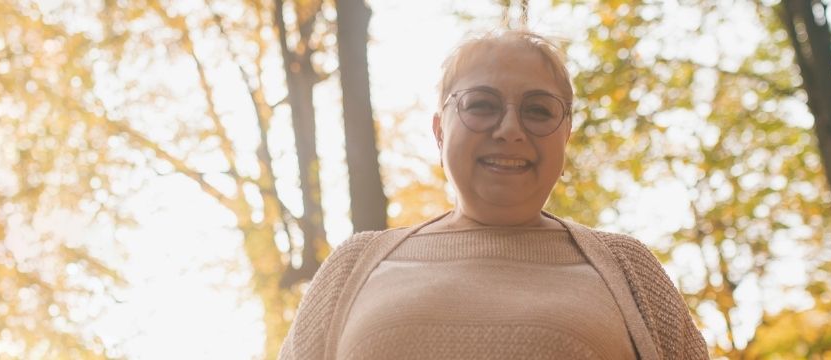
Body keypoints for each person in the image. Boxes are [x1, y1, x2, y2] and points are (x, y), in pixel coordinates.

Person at [278, 30, 708, 360]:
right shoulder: (353, 266)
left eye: (538, 109)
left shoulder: (628, 269)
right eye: (481, 104)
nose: (510, 130)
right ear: (439, 129)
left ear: (566, 135)